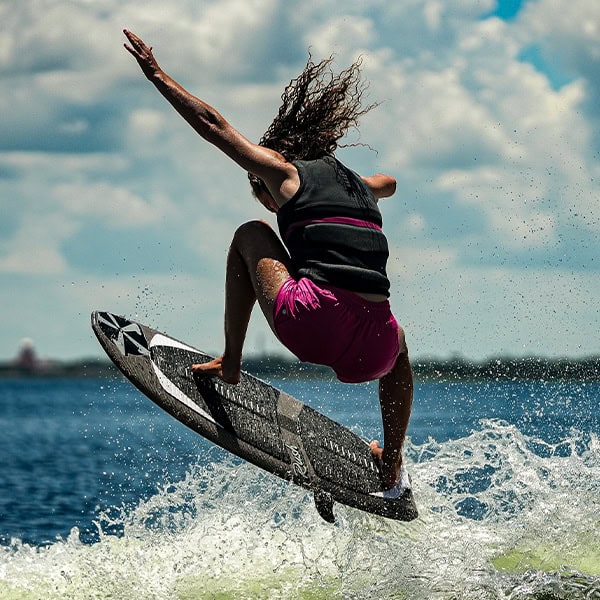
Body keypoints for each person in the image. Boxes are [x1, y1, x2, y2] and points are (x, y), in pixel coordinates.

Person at [123, 29, 413, 489]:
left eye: (265, 197)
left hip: (315, 323)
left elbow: (214, 125)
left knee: (249, 234)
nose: (271, 204)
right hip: (374, 351)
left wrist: (157, 75)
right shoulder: (362, 184)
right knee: (400, 346)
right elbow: (390, 181)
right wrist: (368, 184)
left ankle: (231, 361)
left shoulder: (284, 173)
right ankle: (392, 457)